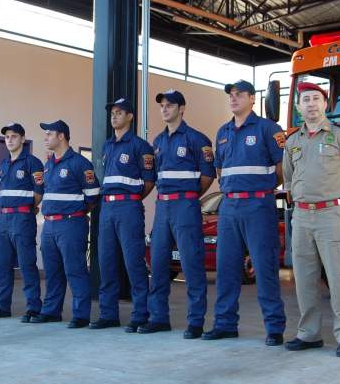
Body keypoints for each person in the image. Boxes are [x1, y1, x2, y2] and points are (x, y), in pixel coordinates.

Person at [282, 81, 340, 358]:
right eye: (305, 99)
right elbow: (288, 179)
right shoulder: (292, 141)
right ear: (298, 107)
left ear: (325, 105)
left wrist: (339, 203)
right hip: (302, 217)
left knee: (339, 277)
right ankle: (309, 334)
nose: (310, 104)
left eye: (315, 99)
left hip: (332, 215)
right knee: (304, 279)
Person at [204, 80, 286, 343]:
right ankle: (225, 324)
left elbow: (282, 168)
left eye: (239, 94)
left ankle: (274, 328)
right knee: (226, 268)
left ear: (252, 98)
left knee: (264, 267)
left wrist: (260, 189)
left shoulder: (268, 129)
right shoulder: (223, 131)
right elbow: (220, 170)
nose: (233, 98)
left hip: (258, 205)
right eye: (230, 95)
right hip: (229, 207)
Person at [142, 90, 215, 337]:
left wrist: (189, 196)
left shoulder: (197, 139)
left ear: (182, 109)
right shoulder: (158, 142)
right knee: (159, 263)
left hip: (185, 205)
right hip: (163, 207)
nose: (164, 109)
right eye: (162, 105)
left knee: (191, 263)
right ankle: (158, 317)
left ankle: (196, 321)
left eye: (170, 105)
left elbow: (207, 176)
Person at [92, 98, 155, 332]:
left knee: (133, 262)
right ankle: (108, 314)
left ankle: (140, 314)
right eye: (112, 113)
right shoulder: (107, 146)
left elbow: (149, 181)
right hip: (107, 208)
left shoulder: (140, 146)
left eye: (119, 113)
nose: (114, 116)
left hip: (128, 208)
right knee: (106, 262)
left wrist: (132, 198)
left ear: (130, 116)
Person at [32, 120, 100, 328]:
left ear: (61, 136)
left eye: (49, 134)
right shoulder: (49, 164)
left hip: (71, 225)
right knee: (52, 271)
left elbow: (93, 196)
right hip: (50, 226)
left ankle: (81, 315)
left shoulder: (80, 163)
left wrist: (77, 214)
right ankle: (51, 311)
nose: (46, 138)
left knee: (75, 270)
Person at [0, 123, 45, 321]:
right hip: (4, 219)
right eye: (7, 137)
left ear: (23, 139)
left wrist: (28, 208)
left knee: (26, 264)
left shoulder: (33, 162)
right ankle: (1, 306)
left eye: (14, 136)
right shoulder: (3, 165)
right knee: (2, 264)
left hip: (22, 218)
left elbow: (39, 192)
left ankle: (33, 307)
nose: (10, 140)